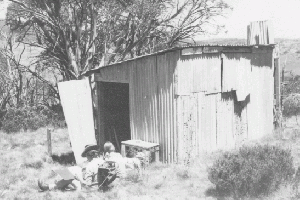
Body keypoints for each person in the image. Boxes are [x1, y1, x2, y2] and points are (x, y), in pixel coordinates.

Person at [38, 144, 104, 191]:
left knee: (70, 178)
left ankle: (49, 186)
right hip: (97, 184)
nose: (86, 157)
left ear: (90, 154)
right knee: (74, 171)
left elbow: (87, 185)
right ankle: (54, 184)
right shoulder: (102, 162)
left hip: (90, 188)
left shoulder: (90, 166)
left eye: (87, 155)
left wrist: (78, 178)